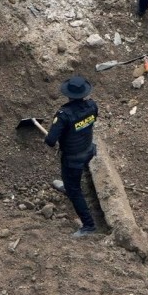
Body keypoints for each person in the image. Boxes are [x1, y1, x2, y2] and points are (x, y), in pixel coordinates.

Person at [44, 76, 99, 238]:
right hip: (88, 150)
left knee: (75, 190)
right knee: (73, 181)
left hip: (73, 159)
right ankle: (68, 186)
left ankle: (89, 225)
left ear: (68, 94)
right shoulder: (92, 106)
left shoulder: (64, 115)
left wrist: (52, 134)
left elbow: (50, 141)